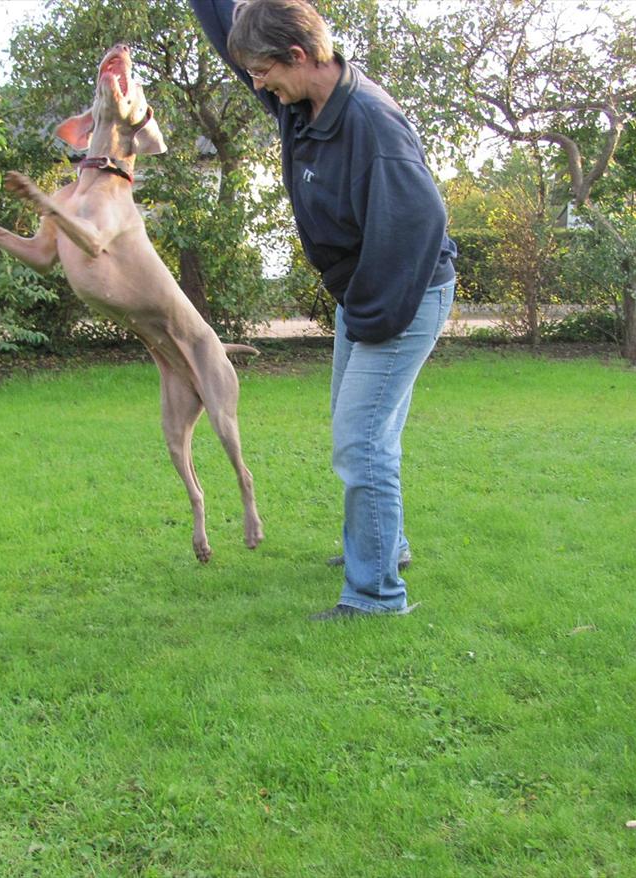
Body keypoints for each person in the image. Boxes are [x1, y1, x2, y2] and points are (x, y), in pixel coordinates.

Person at [191, 0, 457, 619]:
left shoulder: (370, 123)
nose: (257, 86)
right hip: (367, 292)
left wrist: (369, 318)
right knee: (362, 429)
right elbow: (236, 29)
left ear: (300, 57)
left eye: (262, 72)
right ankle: (384, 547)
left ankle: (376, 595)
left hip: (402, 293)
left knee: (361, 442)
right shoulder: (303, 104)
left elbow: (420, 221)